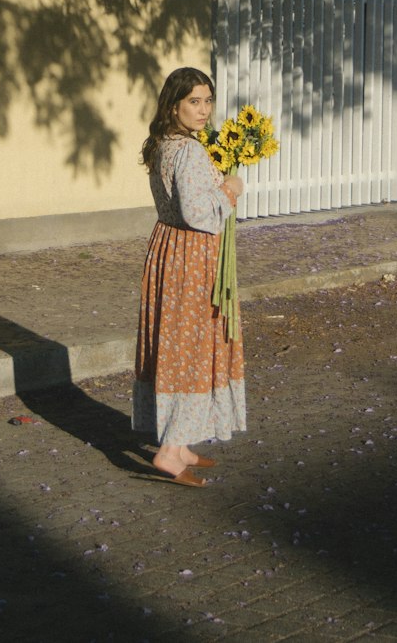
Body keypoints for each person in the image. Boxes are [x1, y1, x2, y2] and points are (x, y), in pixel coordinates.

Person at [132, 66, 246, 486]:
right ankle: (168, 451)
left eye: (207, 101)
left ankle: (178, 442)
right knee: (192, 346)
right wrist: (231, 187)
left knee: (176, 342)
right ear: (174, 105)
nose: (203, 110)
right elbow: (199, 214)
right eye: (194, 102)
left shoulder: (165, 144)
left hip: (168, 249)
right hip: (191, 255)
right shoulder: (190, 152)